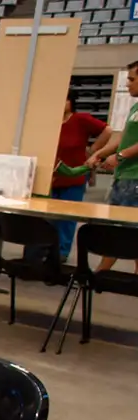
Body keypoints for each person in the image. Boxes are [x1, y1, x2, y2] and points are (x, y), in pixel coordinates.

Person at [44, 91, 110, 259]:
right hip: (51, 176)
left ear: (71, 102)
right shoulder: (49, 121)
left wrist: (94, 151)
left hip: (73, 175)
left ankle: (62, 251)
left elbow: (107, 131)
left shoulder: (81, 119)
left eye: (65, 99)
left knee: (67, 217)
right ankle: (47, 248)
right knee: (47, 216)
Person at [87, 60, 138, 271]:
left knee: (133, 233)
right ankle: (100, 274)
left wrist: (120, 156)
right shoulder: (136, 107)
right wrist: (100, 153)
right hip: (123, 177)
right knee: (116, 229)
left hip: (135, 179)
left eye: (132, 79)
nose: (127, 84)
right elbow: (124, 138)